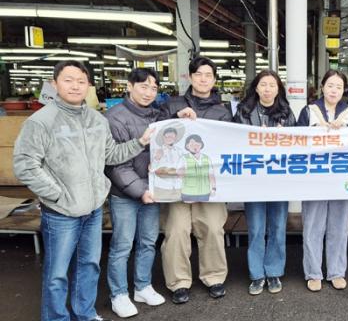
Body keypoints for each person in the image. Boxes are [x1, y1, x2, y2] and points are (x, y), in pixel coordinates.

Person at [13, 60, 151, 321]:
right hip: (60, 212)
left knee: (89, 265)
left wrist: (141, 142)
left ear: (89, 85)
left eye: (81, 81)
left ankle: (85, 313)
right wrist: (57, 195)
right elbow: (25, 165)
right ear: (54, 84)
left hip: (93, 208)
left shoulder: (97, 119)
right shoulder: (41, 122)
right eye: (68, 80)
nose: (75, 86)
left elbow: (111, 154)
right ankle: (56, 318)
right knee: (57, 273)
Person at [158, 56, 232, 304]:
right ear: (190, 77)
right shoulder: (172, 104)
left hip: (208, 183)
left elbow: (229, 145)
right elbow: (156, 132)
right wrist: (175, 118)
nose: (203, 79)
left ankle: (214, 277)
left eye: (208, 75)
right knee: (177, 231)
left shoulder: (223, 111)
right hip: (177, 183)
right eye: (198, 74)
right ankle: (178, 282)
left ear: (214, 79)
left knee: (212, 228)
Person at [104, 68, 165, 318]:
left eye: (153, 88)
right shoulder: (115, 117)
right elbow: (115, 164)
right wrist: (141, 190)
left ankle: (143, 286)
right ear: (129, 86)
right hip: (125, 194)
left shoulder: (158, 116)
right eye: (143, 86)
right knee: (122, 245)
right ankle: (118, 294)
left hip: (152, 190)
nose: (149, 92)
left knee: (148, 242)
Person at [233, 70, 295, 295]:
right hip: (254, 179)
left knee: (278, 226)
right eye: (263, 85)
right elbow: (234, 142)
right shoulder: (244, 112)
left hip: (279, 179)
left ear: (278, 89)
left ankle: (274, 271)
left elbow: (297, 146)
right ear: (256, 88)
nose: (267, 89)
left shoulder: (287, 113)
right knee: (256, 227)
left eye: (272, 85)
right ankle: (257, 274)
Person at [297, 70, 348, 292]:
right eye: (330, 85)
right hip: (314, 176)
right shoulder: (309, 111)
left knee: (339, 227)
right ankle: (313, 272)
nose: (334, 90)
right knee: (313, 226)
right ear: (322, 87)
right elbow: (297, 142)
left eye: (339, 87)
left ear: (344, 90)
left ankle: (336, 271)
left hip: (341, 176)